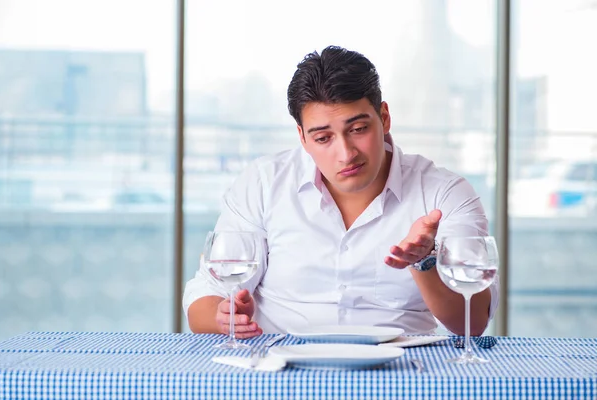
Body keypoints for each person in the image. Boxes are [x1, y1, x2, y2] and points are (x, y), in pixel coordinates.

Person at [183, 45, 499, 338]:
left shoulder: (445, 194)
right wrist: (223, 317)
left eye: (358, 129)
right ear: (303, 137)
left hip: (402, 371)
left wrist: (424, 262)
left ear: (384, 118)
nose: (346, 153)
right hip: (281, 365)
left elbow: (472, 322)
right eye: (323, 138)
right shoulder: (263, 184)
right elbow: (204, 298)